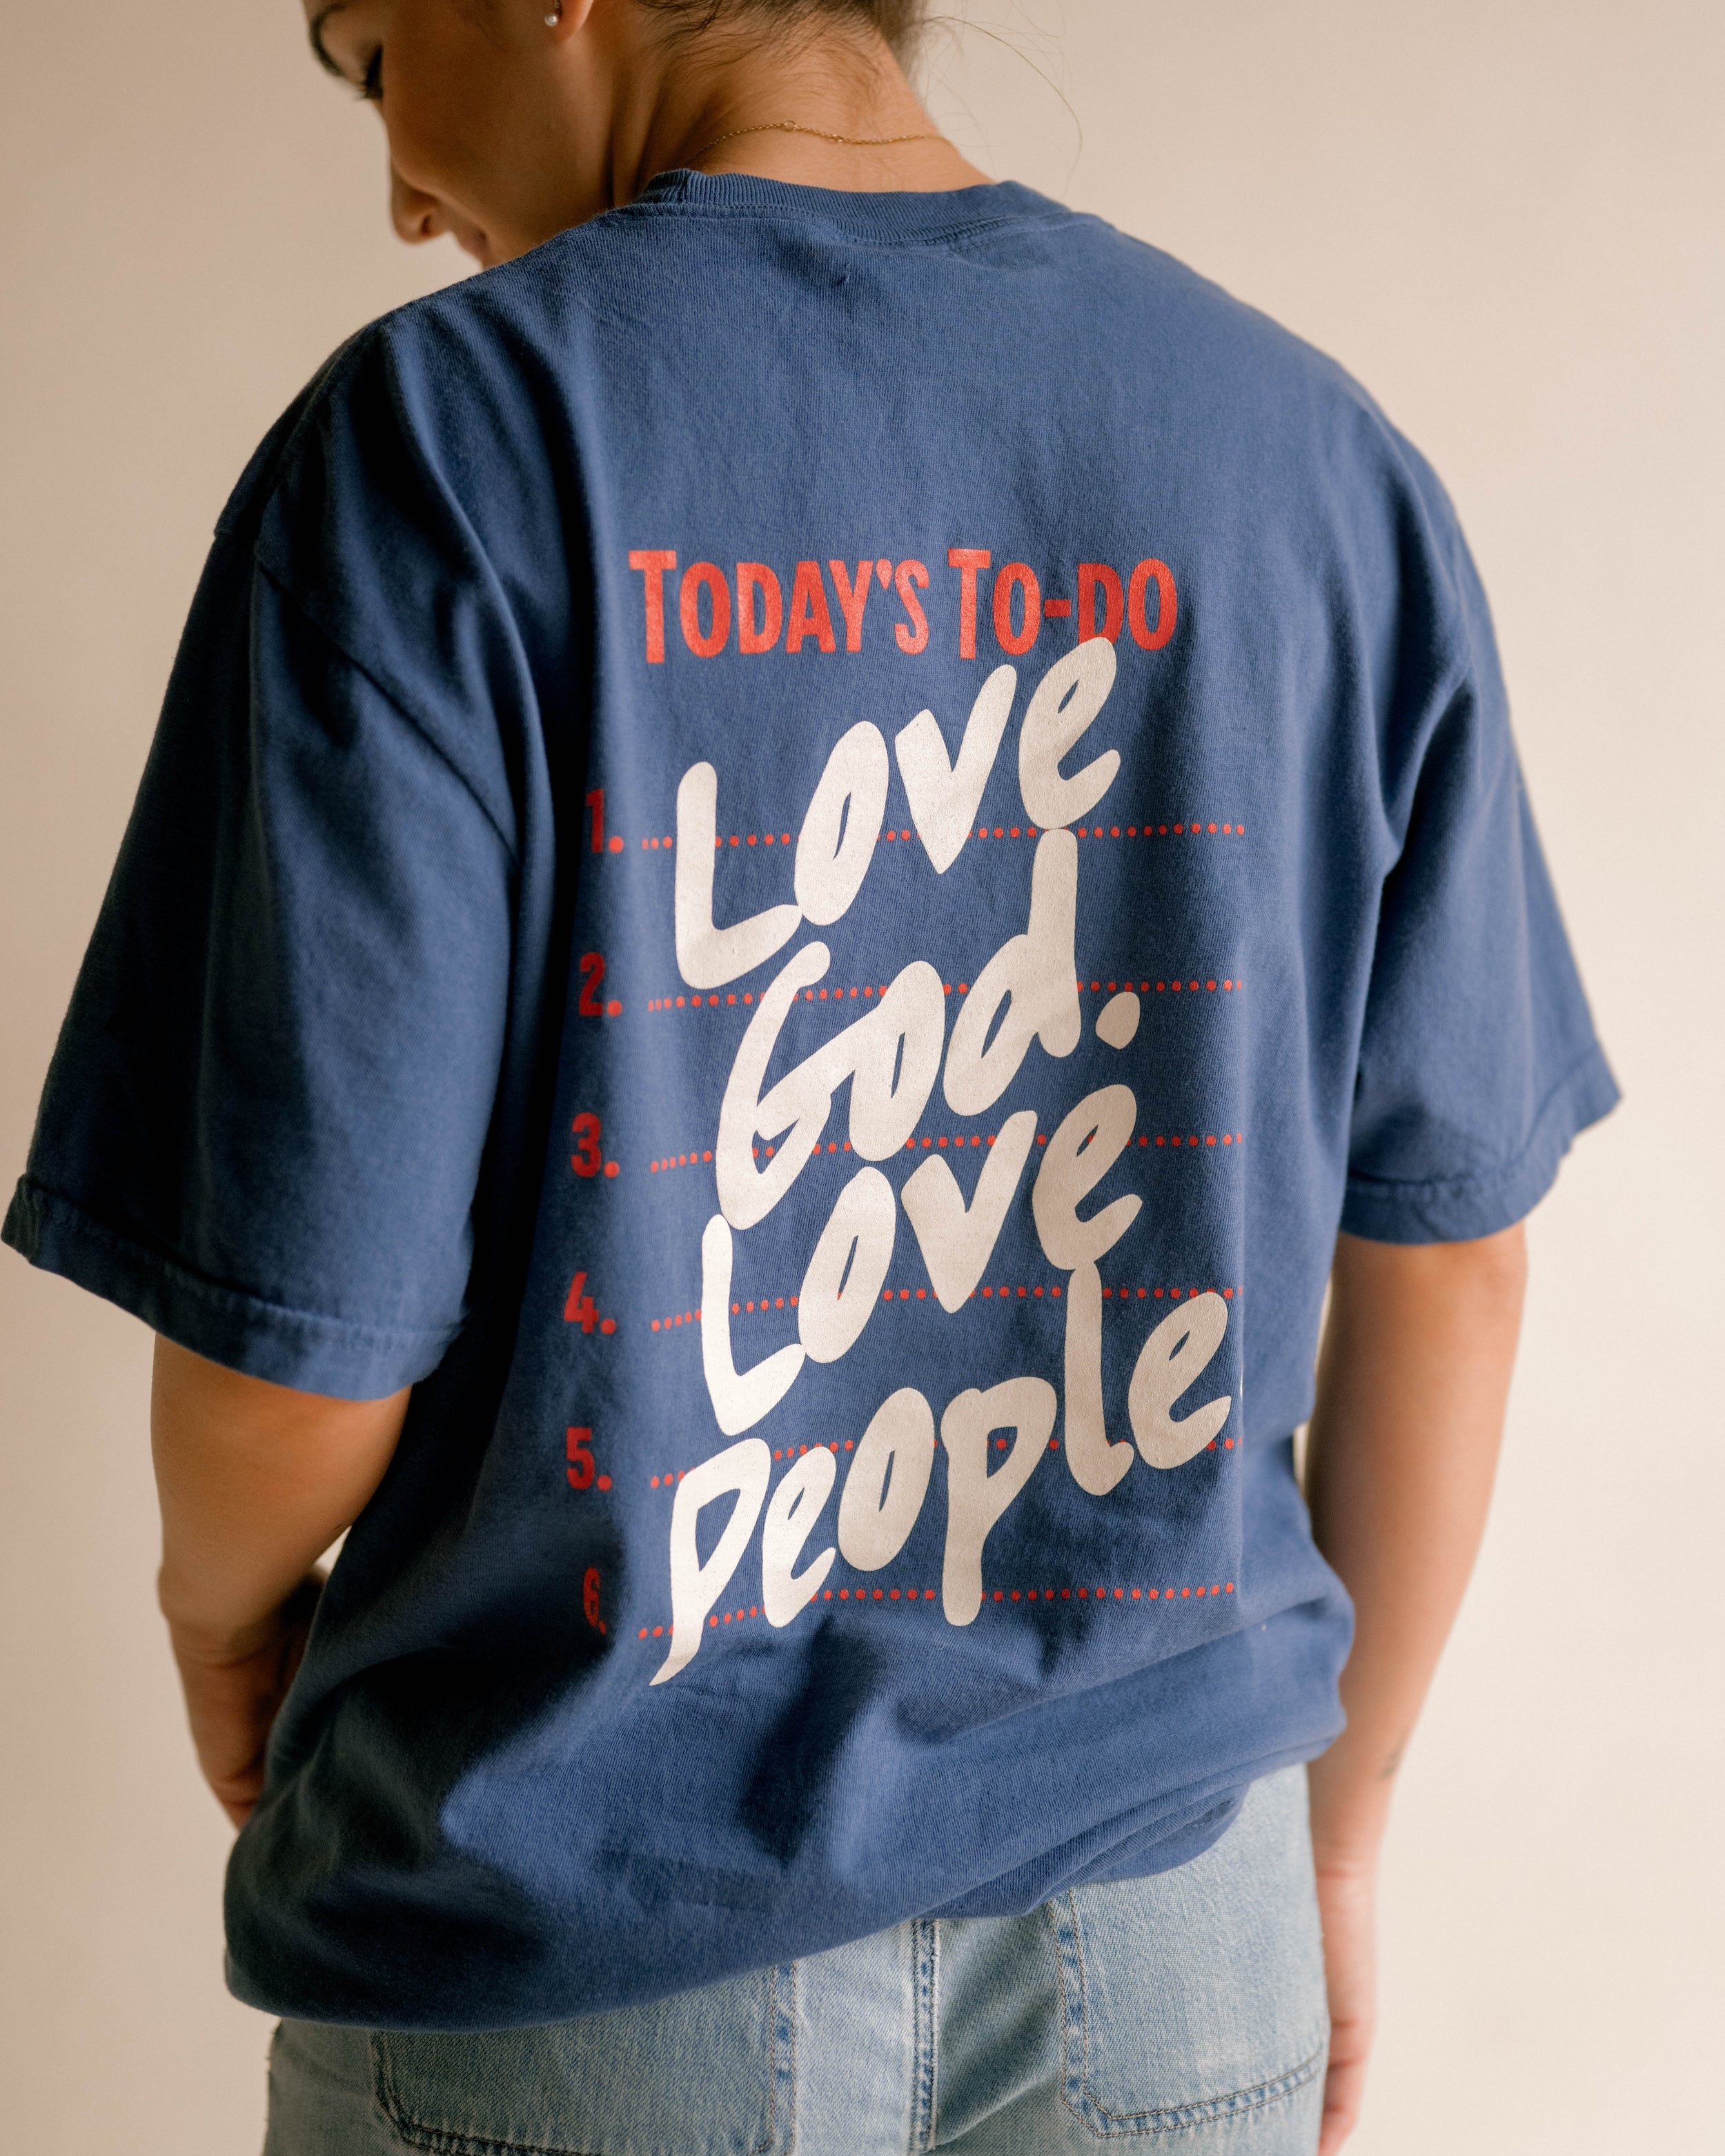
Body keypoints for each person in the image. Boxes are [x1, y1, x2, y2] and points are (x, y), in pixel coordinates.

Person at [4, 0, 1617, 2149]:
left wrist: (217, 1620)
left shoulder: (440, 450)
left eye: (373, 57)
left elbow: (302, 1354)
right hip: (1176, 1942)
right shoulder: (1314, 460)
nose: (398, 190)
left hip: (579, 1934)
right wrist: (1330, 1844)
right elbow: (1453, 1263)